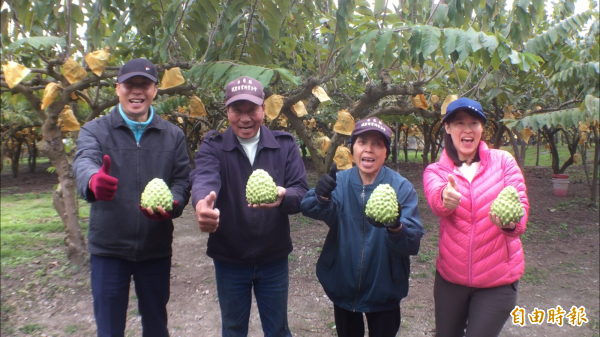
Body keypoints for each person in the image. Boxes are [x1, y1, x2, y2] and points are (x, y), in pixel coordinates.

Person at [73, 58, 191, 337]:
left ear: (155, 90)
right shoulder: (96, 130)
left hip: (155, 248)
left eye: (144, 84)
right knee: (110, 329)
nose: (137, 91)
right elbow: (84, 161)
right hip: (108, 249)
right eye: (130, 84)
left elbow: (182, 180)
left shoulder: (172, 135)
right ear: (118, 88)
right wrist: (92, 181)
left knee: (156, 326)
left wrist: (173, 204)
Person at [190, 76, 308, 337]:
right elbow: (204, 178)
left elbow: (302, 192)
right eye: (237, 110)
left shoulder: (285, 145)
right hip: (230, 257)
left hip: (273, 258)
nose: (245, 119)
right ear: (227, 111)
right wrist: (202, 204)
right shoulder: (214, 147)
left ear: (263, 110)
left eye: (252, 110)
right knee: (233, 330)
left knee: (277, 330)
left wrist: (284, 196)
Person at [300, 117, 424, 337]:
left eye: (378, 143)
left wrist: (396, 226)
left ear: (386, 152)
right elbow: (310, 209)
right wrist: (320, 195)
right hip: (343, 284)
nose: (369, 149)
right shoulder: (340, 181)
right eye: (362, 142)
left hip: (384, 288)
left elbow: (412, 242)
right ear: (352, 149)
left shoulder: (401, 187)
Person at [422, 97, 529, 337]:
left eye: (474, 122)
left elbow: (520, 208)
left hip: (497, 279)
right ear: (448, 128)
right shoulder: (436, 170)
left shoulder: (503, 162)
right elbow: (436, 198)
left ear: (482, 129)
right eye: (459, 122)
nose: (467, 129)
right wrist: (445, 197)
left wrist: (510, 224)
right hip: (451, 279)